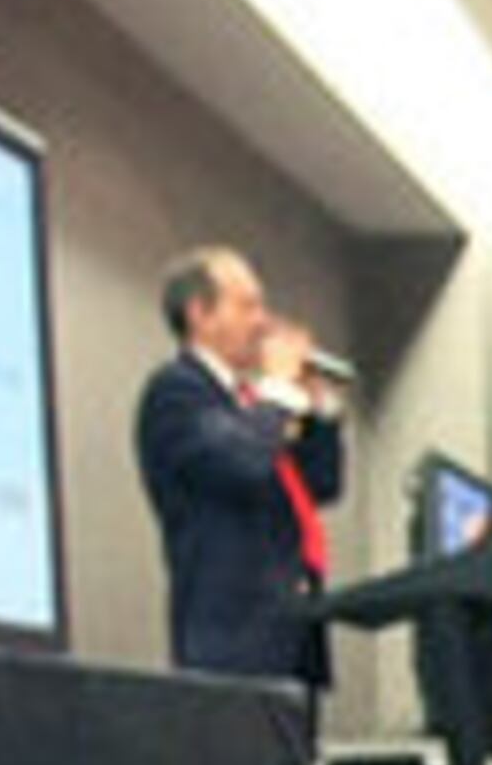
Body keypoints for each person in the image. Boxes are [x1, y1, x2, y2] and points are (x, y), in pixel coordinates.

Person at [130, 244, 342, 686]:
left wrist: (318, 407)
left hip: (290, 636)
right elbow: (242, 462)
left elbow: (322, 484)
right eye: (247, 306)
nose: (262, 322)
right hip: (230, 644)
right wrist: (279, 389)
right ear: (200, 314)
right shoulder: (178, 392)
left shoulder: (252, 405)